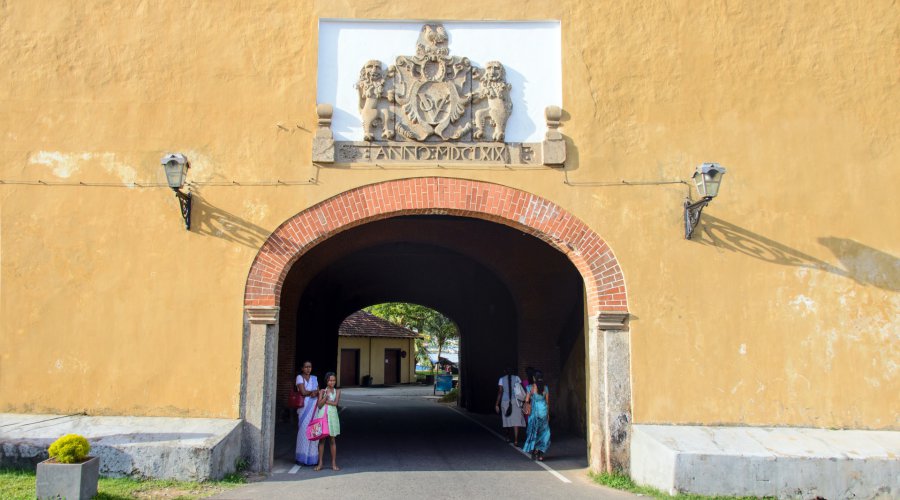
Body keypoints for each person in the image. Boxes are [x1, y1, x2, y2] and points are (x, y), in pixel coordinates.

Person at [314, 372, 341, 471]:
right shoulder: (322, 391)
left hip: (333, 417)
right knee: (321, 440)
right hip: (323, 416)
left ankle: (333, 463)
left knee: (332, 440)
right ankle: (320, 463)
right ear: (326, 381)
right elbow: (319, 405)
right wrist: (325, 396)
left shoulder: (337, 391)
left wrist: (325, 401)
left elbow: (335, 403)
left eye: (334, 380)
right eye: (330, 380)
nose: (332, 382)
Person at [522, 369, 551, 461]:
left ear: (534, 378)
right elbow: (547, 402)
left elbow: (527, 400)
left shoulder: (530, 387)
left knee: (534, 431)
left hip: (535, 413)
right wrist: (548, 414)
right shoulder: (545, 388)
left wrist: (527, 402)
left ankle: (535, 450)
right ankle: (541, 453)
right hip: (544, 412)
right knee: (544, 432)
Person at [294, 361, 319, 466]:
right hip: (304, 409)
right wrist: (312, 392)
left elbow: (318, 390)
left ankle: (312, 459)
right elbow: (303, 392)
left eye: (310, 367)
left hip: (315, 408)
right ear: (302, 368)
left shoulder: (314, 378)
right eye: (306, 367)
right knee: (303, 432)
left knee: (314, 432)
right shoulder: (299, 377)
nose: (308, 369)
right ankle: (301, 458)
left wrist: (314, 392)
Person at [495, 367, 526, 446]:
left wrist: (496, 404)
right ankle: (516, 440)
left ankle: (507, 436)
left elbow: (500, 392)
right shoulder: (517, 378)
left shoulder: (501, 379)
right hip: (515, 401)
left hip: (505, 402)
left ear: (504, 371)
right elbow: (520, 389)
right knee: (516, 422)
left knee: (506, 420)